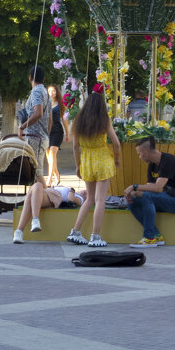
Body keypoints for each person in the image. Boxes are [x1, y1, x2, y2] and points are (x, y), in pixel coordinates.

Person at [66, 92, 121, 247]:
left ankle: (75, 231)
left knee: (89, 199)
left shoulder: (78, 121)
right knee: (100, 200)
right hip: (103, 160)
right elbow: (116, 143)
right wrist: (117, 159)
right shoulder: (104, 120)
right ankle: (95, 236)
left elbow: (75, 146)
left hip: (87, 161)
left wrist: (78, 166)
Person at [126, 136, 175, 247]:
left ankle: (149, 238)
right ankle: (156, 235)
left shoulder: (169, 161)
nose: (139, 157)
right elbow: (150, 187)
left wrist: (134, 186)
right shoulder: (152, 164)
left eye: (139, 154)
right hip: (166, 197)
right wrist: (134, 193)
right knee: (133, 200)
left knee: (146, 196)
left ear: (145, 152)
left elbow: (157, 188)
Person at [12, 181, 87, 243]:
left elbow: (71, 199)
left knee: (37, 185)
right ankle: (21, 230)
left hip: (54, 197)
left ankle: (23, 228)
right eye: (85, 190)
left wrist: (72, 190)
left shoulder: (80, 199)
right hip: (46, 192)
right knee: (31, 194)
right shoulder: (72, 191)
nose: (84, 192)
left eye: (86, 194)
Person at [17, 65, 51, 183]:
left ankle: (47, 198)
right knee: (34, 171)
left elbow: (38, 113)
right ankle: (37, 198)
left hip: (35, 137)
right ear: (44, 78)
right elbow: (49, 117)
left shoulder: (36, 91)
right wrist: (47, 133)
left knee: (36, 172)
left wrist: (22, 127)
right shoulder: (45, 92)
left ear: (30, 77)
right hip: (42, 136)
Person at [46, 85, 66, 186]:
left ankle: (49, 179)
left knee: (52, 153)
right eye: (49, 91)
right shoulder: (45, 104)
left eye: (53, 91)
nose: (51, 93)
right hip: (47, 131)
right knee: (49, 155)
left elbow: (64, 119)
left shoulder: (60, 104)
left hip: (57, 130)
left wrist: (67, 134)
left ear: (56, 92)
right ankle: (56, 174)